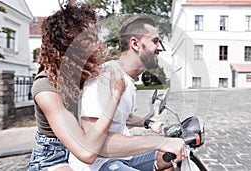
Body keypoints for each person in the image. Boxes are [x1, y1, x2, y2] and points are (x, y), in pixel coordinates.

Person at [69, 15, 186, 171]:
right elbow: (93, 140)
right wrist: (159, 141)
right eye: (155, 41)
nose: (160, 48)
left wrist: (150, 124)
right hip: (98, 164)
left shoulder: (129, 79)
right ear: (135, 44)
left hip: (124, 157)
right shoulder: (105, 78)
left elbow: (123, 116)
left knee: (169, 160)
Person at [28, 1, 126, 171]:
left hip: (89, 148)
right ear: (68, 44)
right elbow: (85, 152)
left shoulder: (81, 75)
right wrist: (115, 97)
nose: (97, 46)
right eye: (89, 39)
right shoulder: (45, 88)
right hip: (53, 159)